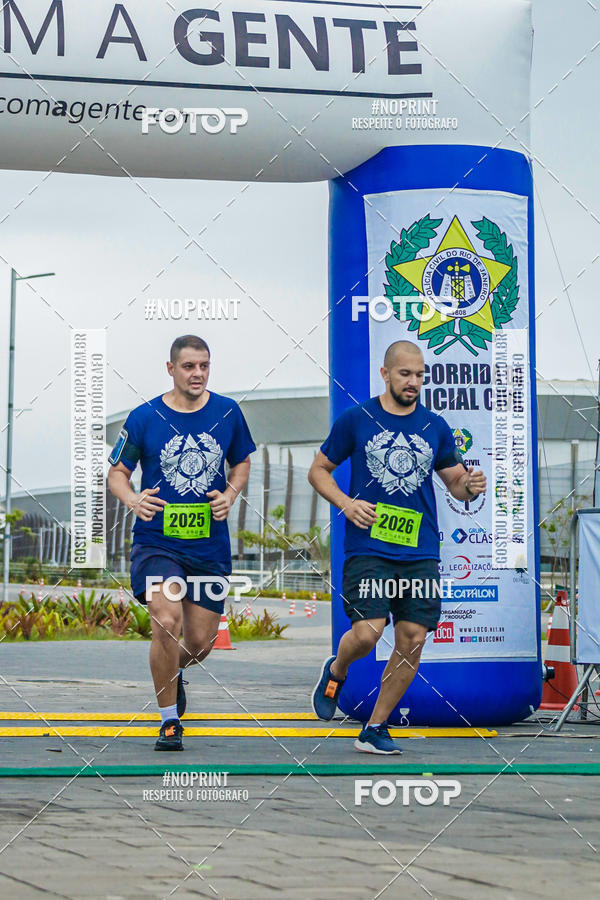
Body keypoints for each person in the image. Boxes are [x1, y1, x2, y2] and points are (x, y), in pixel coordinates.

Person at [308, 340, 486, 754]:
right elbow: (318, 470)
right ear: (385, 374)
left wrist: (470, 486)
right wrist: (346, 503)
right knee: (368, 633)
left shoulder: (434, 426)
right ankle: (337, 669)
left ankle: (375, 727)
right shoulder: (357, 419)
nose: (414, 382)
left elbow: (455, 483)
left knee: (413, 637)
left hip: (419, 549)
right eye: (405, 374)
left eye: (420, 375)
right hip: (369, 546)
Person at [108, 335, 255, 751]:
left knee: (200, 644)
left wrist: (230, 494)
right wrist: (133, 499)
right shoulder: (144, 417)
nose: (197, 373)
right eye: (189, 366)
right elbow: (117, 473)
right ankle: (169, 721)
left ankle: (172, 674)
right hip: (158, 541)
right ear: (170, 369)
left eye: (204, 366)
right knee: (166, 619)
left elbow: (242, 461)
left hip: (208, 546)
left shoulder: (228, 412)